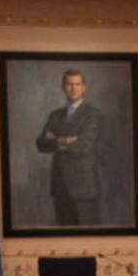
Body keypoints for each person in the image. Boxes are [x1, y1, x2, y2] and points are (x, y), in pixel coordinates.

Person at [34, 68, 102, 226]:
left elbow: (83, 145)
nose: (73, 88)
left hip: (84, 188)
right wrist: (65, 140)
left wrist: (55, 141)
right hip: (60, 187)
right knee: (63, 238)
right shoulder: (55, 115)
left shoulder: (92, 115)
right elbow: (41, 143)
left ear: (84, 87)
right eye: (70, 84)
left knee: (86, 240)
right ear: (63, 87)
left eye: (77, 84)